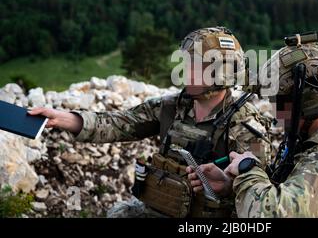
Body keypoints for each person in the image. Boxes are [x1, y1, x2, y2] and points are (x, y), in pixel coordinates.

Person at [29, 27, 273, 218]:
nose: (185, 71)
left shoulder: (246, 125)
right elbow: (118, 123)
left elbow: (259, 195)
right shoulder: (171, 107)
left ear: (221, 74)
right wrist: (65, 118)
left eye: (195, 66)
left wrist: (228, 183)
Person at [187, 32, 318, 217]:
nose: (276, 113)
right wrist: (232, 186)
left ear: (308, 103)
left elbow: (271, 214)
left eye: (279, 103)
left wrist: (247, 169)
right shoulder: (309, 145)